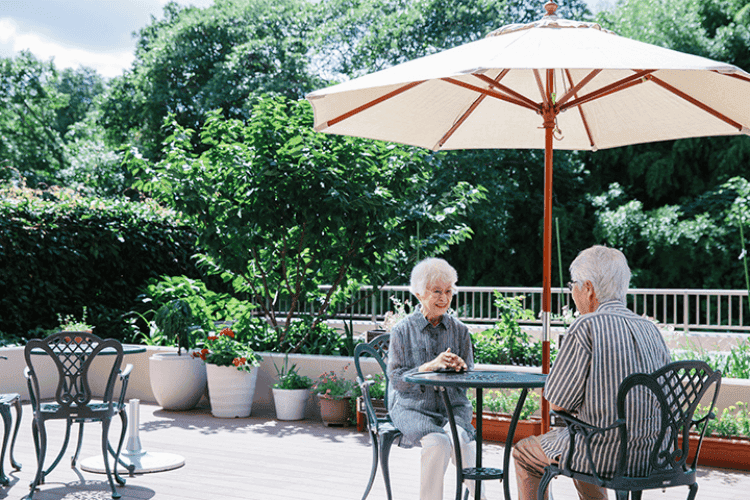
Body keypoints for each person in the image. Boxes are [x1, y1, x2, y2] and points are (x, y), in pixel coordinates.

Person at [513, 245, 671, 500]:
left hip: (604, 454)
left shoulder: (586, 326)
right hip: (654, 453)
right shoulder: (650, 329)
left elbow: (557, 402)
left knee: (525, 452)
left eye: (573, 285)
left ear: (588, 288)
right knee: (584, 437)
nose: (572, 292)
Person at [387, 257, 485, 500]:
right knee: (438, 443)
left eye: (449, 291)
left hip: (453, 407)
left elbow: (470, 380)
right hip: (413, 408)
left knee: (462, 443)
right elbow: (397, 381)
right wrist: (428, 367)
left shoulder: (460, 331)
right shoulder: (402, 331)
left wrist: (463, 369)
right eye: (437, 291)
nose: (444, 298)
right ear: (419, 294)